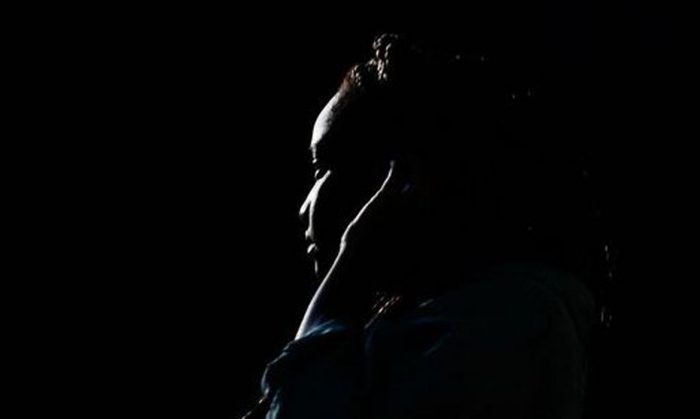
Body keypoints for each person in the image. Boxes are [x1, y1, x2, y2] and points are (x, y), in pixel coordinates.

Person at [244, 33, 612, 419]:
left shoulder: (505, 325)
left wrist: (352, 261)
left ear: (398, 177)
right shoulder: (453, 320)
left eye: (321, 168)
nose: (303, 206)